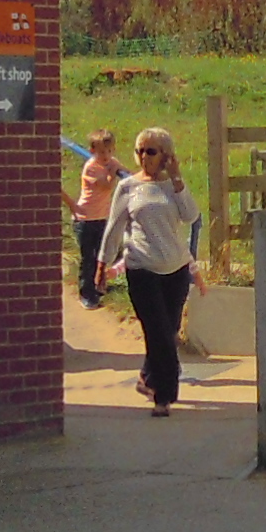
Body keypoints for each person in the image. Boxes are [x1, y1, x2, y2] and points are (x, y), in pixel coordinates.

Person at [101, 125, 200, 415]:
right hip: (142, 267)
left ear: (166, 156)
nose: (144, 157)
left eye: (152, 151)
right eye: (140, 151)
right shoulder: (128, 187)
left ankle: (147, 376)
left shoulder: (173, 187)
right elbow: (114, 228)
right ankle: (163, 396)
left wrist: (178, 178)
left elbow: (191, 215)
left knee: (167, 332)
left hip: (175, 269)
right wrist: (102, 264)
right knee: (156, 331)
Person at [71, 130, 124, 306]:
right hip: (85, 218)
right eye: (102, 152)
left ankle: (99, 285)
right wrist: (113, 171)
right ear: (92, 151)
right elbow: (106, 185)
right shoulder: (91, 168)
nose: (106, 156)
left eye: (110, 151)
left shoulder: (111, 162)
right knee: (89, 257)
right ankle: (86, 294)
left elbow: (126, 173)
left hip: (102, 218)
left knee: (102, 255)